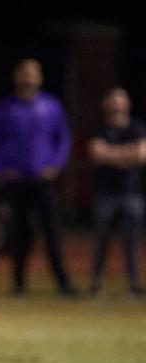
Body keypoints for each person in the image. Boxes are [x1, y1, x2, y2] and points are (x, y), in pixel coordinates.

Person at [0, 58, 76, 296]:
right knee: (20, 233)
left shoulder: (51, 106)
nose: (28, 78)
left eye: (33, 73)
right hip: (16, 181)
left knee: (52, 232)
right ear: (16, 77)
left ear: (39, 78)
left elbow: (62, 139)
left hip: (43, 180)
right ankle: (19, 284)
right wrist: (2, 168)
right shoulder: (4, 109)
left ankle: (63, 284)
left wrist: (55, 165)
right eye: (24, 73)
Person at [88, 87, 146, 297]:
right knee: (102, 241)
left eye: (120, 100)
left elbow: (141, 155)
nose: (116, 104)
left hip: (133, 194)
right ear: (106, 104)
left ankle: (134, 284)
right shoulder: (100, 129)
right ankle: (96, 284)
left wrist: (111, 154)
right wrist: (126, 154)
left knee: (132, 241)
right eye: (112, 100)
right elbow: (97, 153)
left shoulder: (138, 127)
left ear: (128, 104)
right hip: (106, 194)